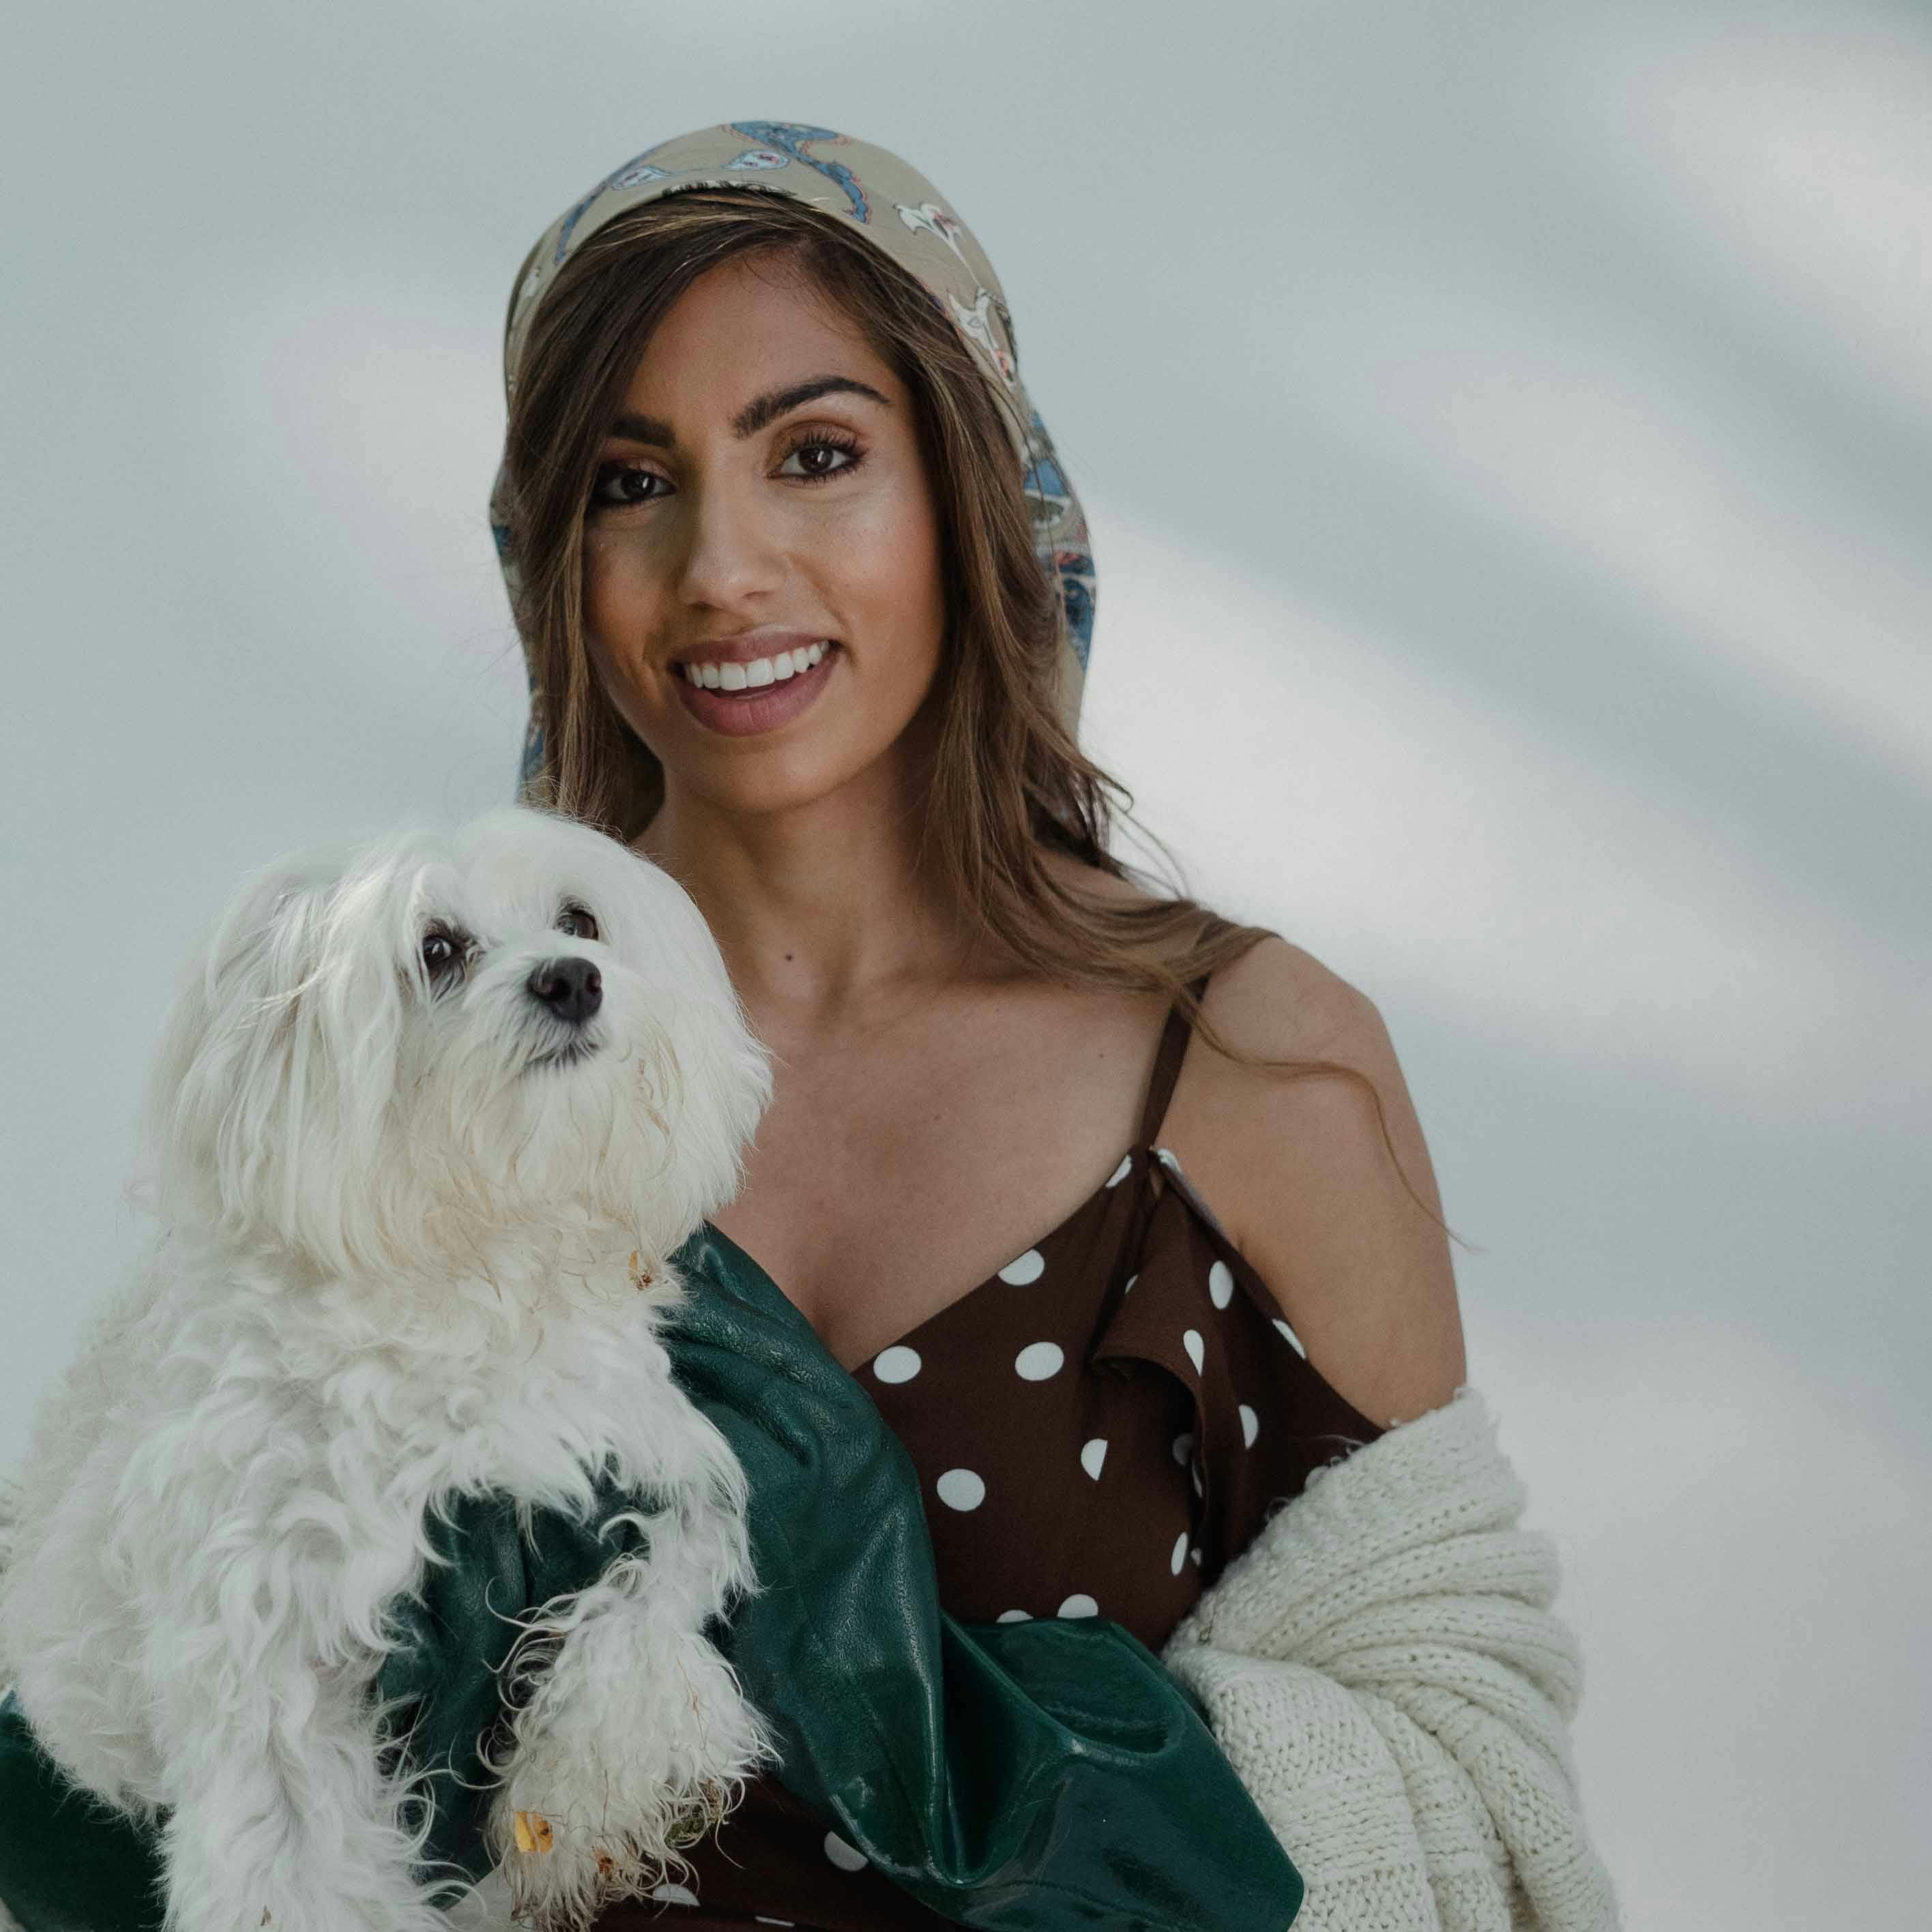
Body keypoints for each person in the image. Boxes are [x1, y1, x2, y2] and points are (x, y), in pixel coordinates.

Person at [487, 124, 1557, 1929]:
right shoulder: (425, 1057)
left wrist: (976, 1746)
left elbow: (1462, 1767)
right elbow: (26, 1710)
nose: (721, 569)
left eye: (815, 455)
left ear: (965, 495)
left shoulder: (1243, 1062)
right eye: (626, 482)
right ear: (551, 563)